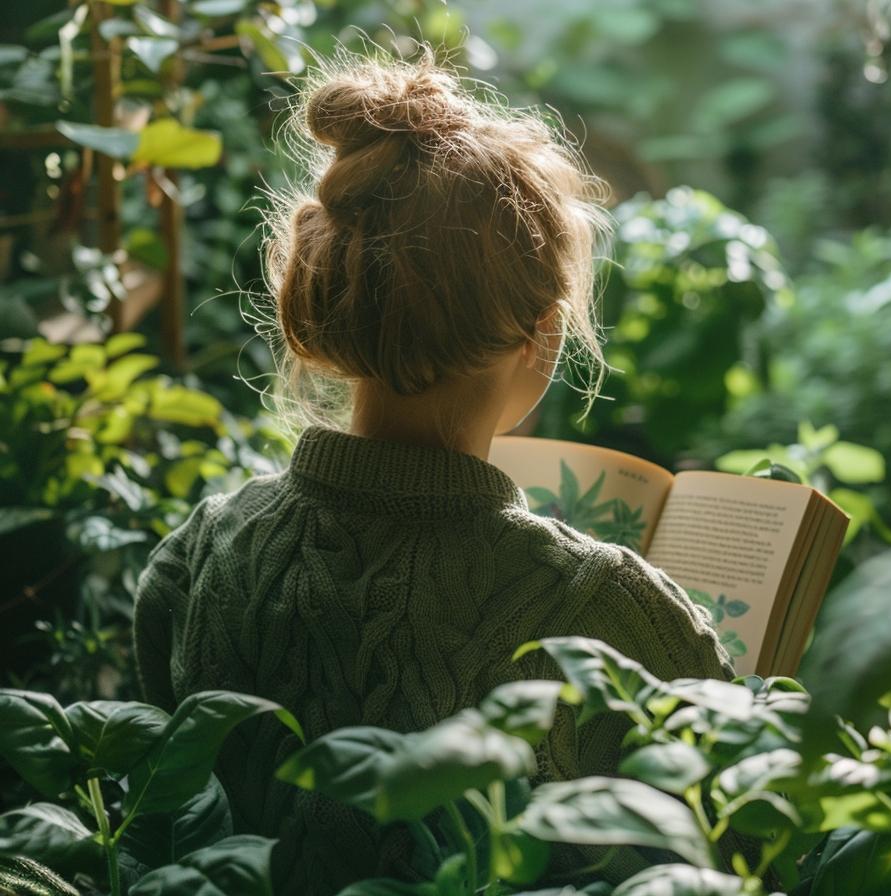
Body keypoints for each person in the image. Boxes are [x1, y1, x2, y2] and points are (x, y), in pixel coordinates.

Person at [132, 56, 732, 894]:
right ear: (542, 334)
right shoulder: (602, 611)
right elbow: (735, 831)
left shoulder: (199, 555)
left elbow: (150, 827)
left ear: (312, 319)